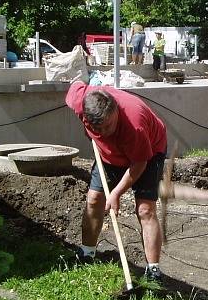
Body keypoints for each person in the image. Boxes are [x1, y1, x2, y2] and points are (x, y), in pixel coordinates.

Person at [66, 81, 168, 283]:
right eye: (98, 128)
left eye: (109, 125)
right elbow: (74, 84)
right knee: (94, 199)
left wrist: (116, 193)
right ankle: (87, 254)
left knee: (145, 209)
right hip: (109, 154)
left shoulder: (134, 124)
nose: (105, 131)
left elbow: (139, 164)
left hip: (149, 152)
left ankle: (153, 270)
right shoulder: (80, 102)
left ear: (115, 112)